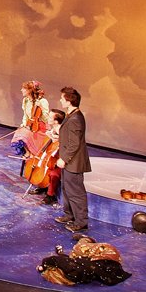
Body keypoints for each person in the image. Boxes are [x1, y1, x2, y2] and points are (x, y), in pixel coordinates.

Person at [54, 86, 91, 235]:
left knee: (76, 192)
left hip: (73, 162)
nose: (61, 100)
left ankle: (81, 222)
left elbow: (75, 143)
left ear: (69, 100)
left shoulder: (76, 118)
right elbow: (68, 136)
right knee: (66, 189)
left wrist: (64, 158)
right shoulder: (71, 115)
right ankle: (69, 215)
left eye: (63, 98)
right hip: (69, 161)